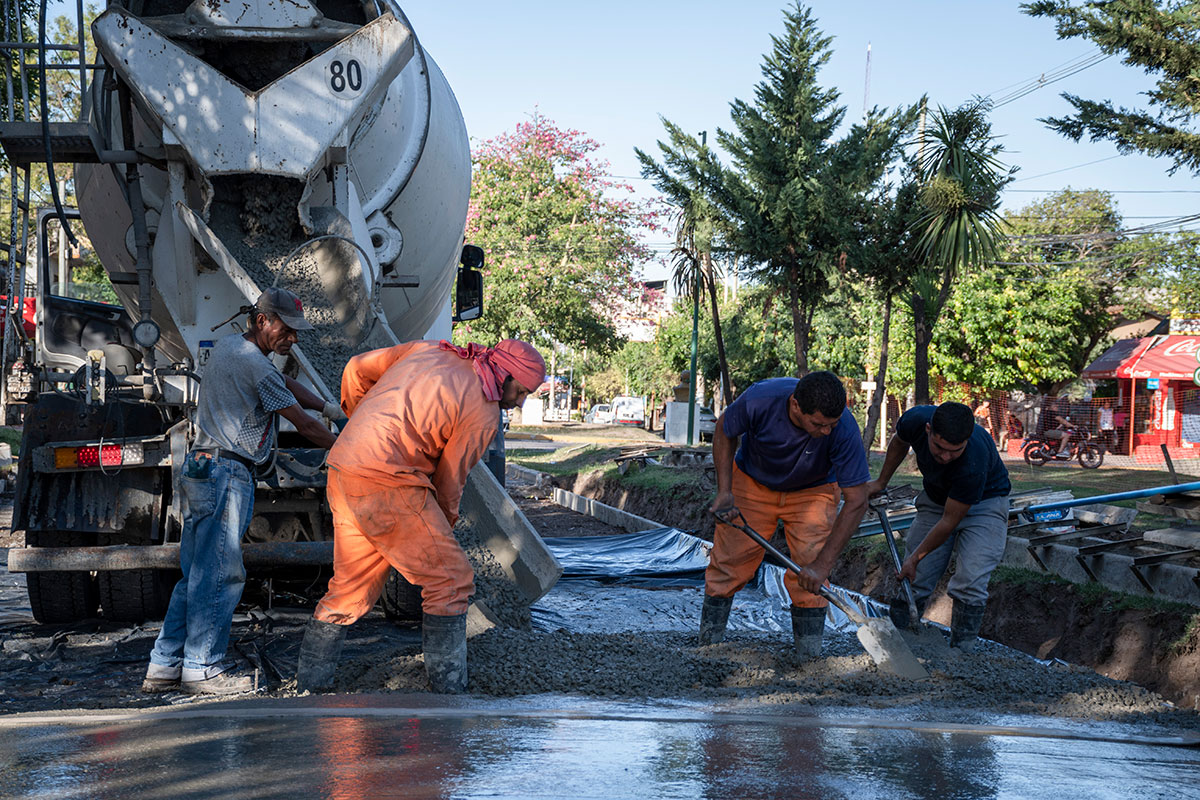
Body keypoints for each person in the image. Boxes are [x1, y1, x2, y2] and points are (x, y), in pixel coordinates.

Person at [296, 338, 545, 694]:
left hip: (344, 467)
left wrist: (361, 421)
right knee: (451, 580)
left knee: (351, 590)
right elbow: (449, 482)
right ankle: (448, 694)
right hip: (388, 483)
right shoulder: (483, 412)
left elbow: (355, 367)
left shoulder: (431, 350)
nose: (519, 403)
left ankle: (311, 687)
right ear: (504, 375)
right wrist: (441, 529)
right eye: (520, 392)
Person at [142, 288, 339, 695]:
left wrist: (327, 406)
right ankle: (202, 668)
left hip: (203, 466)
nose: (293, 339)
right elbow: (301, 424)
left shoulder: (232, 349)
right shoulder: (255, 366)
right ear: (263, 320)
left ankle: (165, 664)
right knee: (221, 573)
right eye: (287, 330)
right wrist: (347, 443)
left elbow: (284, 383)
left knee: (195, 574)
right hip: (228, 473)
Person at [702, 371, 870, 658]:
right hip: (752, 482)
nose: (826, 431)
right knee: (728, 563)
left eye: (832, 424)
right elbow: (725, 431)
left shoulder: (844, 429)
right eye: (818, 424)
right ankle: (707, 645)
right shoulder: (759, 399)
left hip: (814, 489)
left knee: (811, 569)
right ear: (795, 405)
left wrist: (822, 565)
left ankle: (808, 658)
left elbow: (857, 499)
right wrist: (724, 491)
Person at [866, 401, 1011, 652]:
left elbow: (949, 523)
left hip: (984, 506)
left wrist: (914, 558)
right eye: (939, 447)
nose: (945, 457)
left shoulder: (972, 462)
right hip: (936, 500)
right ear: (928, 429)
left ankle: (960, 653)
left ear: (966, 441)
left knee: (970, 580)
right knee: (917, 576)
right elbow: (899, 442)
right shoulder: (914, 420)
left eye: (954, 451)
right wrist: (881, 481)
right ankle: (898, 643)